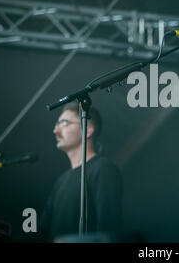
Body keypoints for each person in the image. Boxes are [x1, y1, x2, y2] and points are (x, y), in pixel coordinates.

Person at [39, 102, 123, 242]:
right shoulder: (61, 180)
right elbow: (42, 231)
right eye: (57, 124)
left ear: (88, 130)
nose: (56, 131)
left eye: (64, 123)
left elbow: (108, 231)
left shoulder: (103, 169)